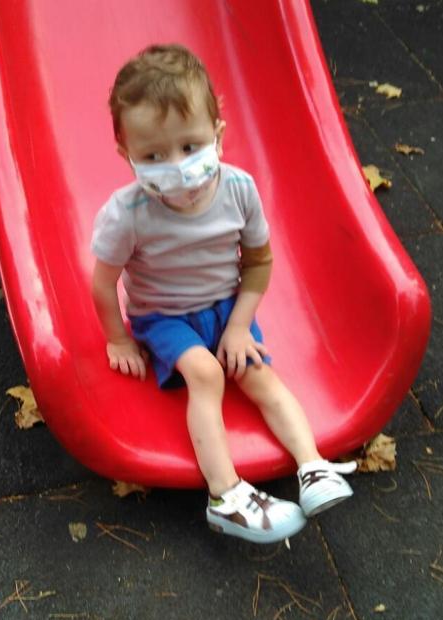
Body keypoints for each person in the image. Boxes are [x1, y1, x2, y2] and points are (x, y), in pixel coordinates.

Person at [90, 44, 356, 544]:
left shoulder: (239, 190)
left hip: (224, 308)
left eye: (190, 146)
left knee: (258, 373)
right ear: (126, 154)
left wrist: (237, 326)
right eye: (153, 156)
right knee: (207, 374)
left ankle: (313, 467)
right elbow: (104, 283)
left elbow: (258, 263)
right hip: (163, 317)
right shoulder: (128, 214)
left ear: (218, 130)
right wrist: (119, 340)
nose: (176, 167)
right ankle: (225, 496)